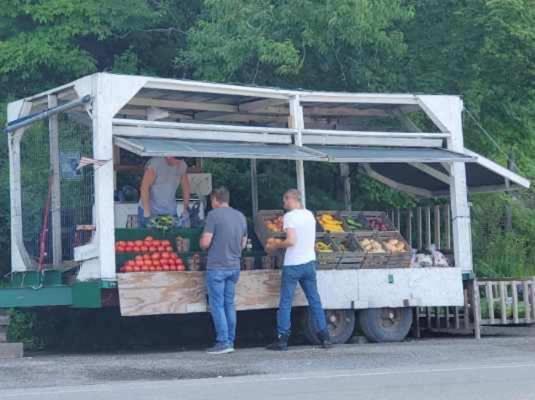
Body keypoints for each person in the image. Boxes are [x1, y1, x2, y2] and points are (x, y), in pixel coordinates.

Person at [266, 189, 331, 351]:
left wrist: (276, 244)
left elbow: (291, 241)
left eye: (284, 200)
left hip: (293, 264)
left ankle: (282, 339)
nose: (283, 204)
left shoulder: (290, 217)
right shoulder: (309, 214)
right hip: (309, 263)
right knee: (314, 300)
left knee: (286, 302)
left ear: (291, 199)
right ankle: (324, 336)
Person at [200, 187, 248, 354]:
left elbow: (206, 242)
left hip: (217, 267)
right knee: (229, 304)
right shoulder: (240, 216)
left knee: (217, 305)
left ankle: (223, 342)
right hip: (234, 266)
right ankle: (230, 341)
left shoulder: (213, 216)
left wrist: (201, 243)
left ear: (215, 199)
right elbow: (243, 243)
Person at [138, 157, 191, 227]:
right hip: (150, 211)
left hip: (170, 211)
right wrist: (147, 212)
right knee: (148, 237)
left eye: (180, 160)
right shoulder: (155, 164)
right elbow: (144, 188)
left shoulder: (182, 165)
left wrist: (185, 209)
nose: (177, 163)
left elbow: (186, 188)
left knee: (173, 237)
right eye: (175, 160)